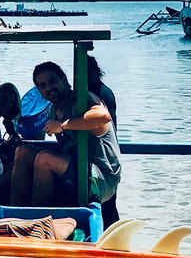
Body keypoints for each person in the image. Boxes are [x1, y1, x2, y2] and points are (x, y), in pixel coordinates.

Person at [9, 61, 120, 210]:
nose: (48, 88)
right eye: (42, 86)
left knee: (45, 159)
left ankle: (36, 221)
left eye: (52, 81)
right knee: (22, 153)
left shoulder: (81, 100)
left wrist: (63, 125)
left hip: (100, 178)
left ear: (63, 79)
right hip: (75, 169)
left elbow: (102, 117)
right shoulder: (53, 110)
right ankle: (14, 213)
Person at [84, 55, 120, 228]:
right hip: (105, 153)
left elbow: (105, 122)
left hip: (105, 154)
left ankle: (112, 239)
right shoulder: (94, 91)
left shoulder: (99, 93)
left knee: (108, 206)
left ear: (96, 71)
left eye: (88, 71)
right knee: (109, 206)